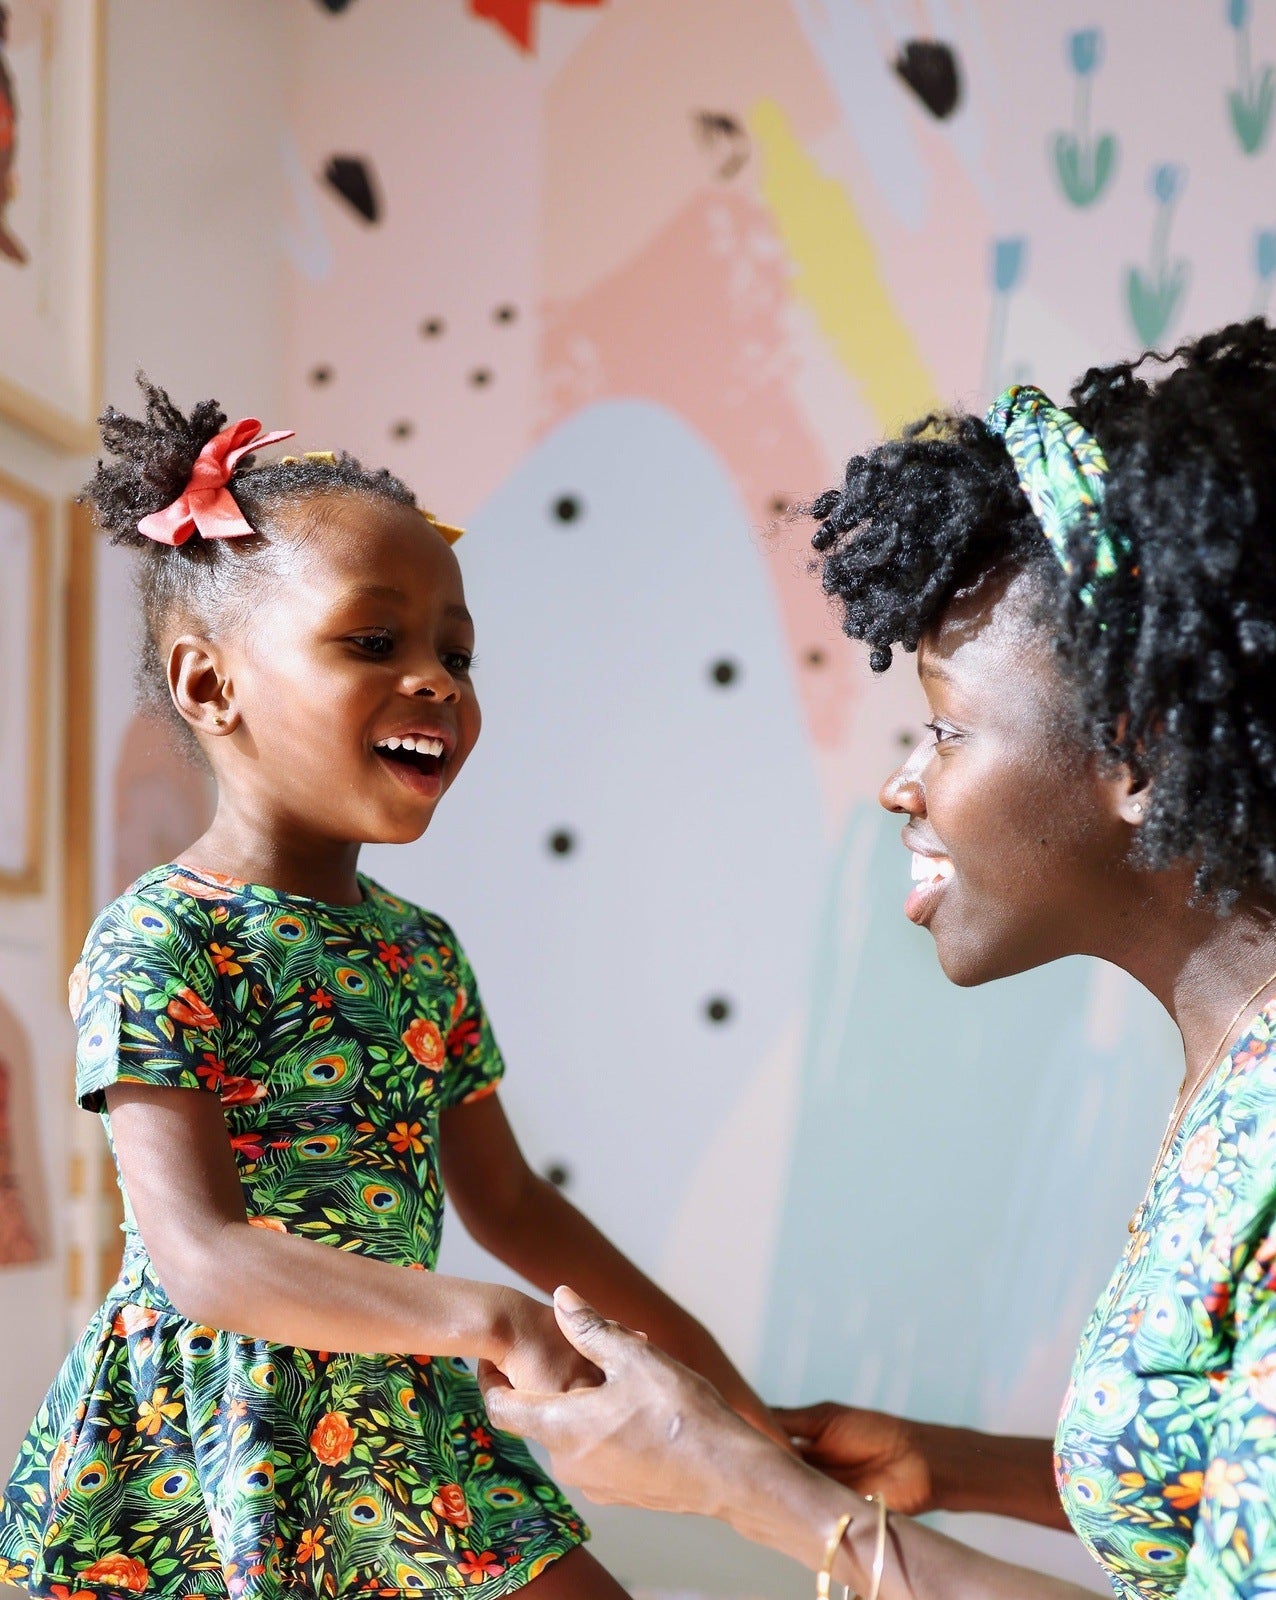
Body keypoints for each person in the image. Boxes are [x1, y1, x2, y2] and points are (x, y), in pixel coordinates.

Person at [482, 323, 1276, 1599]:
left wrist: (752, 1494)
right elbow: (1258, 1476)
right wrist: (945, 1466)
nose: (904, 784)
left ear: (1138, 756)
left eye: (946, 729)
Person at [0, 379, 779, 1600]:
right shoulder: (159, 936)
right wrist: (483, 1319)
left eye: (454, 653)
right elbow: (201, 1255)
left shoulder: (421, 950)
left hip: (402, 1418)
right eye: (375, 643)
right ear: (210, 687)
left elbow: (516, 1202)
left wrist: (729, 1390)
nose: (437, 682)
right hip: (203, 1454)